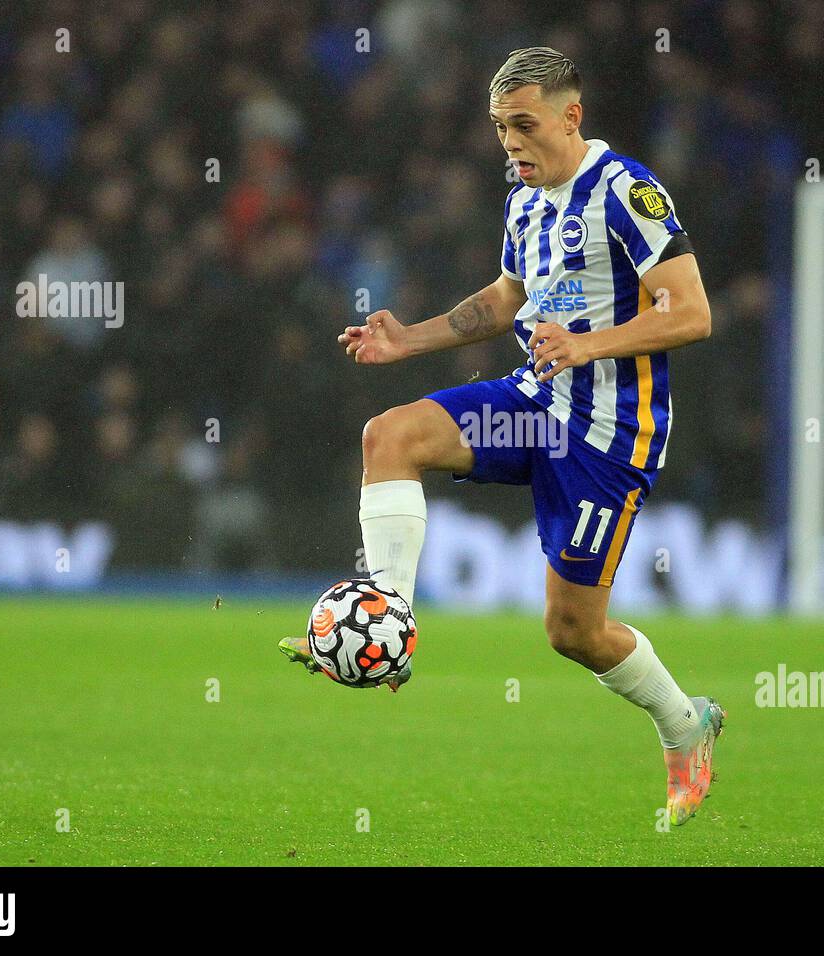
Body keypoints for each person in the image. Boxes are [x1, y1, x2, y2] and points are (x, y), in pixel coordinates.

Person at [283, 47, 721, 825]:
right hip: (531, 403)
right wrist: (407, 340)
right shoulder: (525, 198)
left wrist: (586, 343)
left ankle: (685, 724)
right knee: (389, 436)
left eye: (524, 124)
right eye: (499, 128)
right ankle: (392, 625)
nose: (511, 143)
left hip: (606, 437)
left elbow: (689, 312)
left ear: (570, 115)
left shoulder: (628, 192)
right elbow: (509, 295)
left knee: (573, 632)